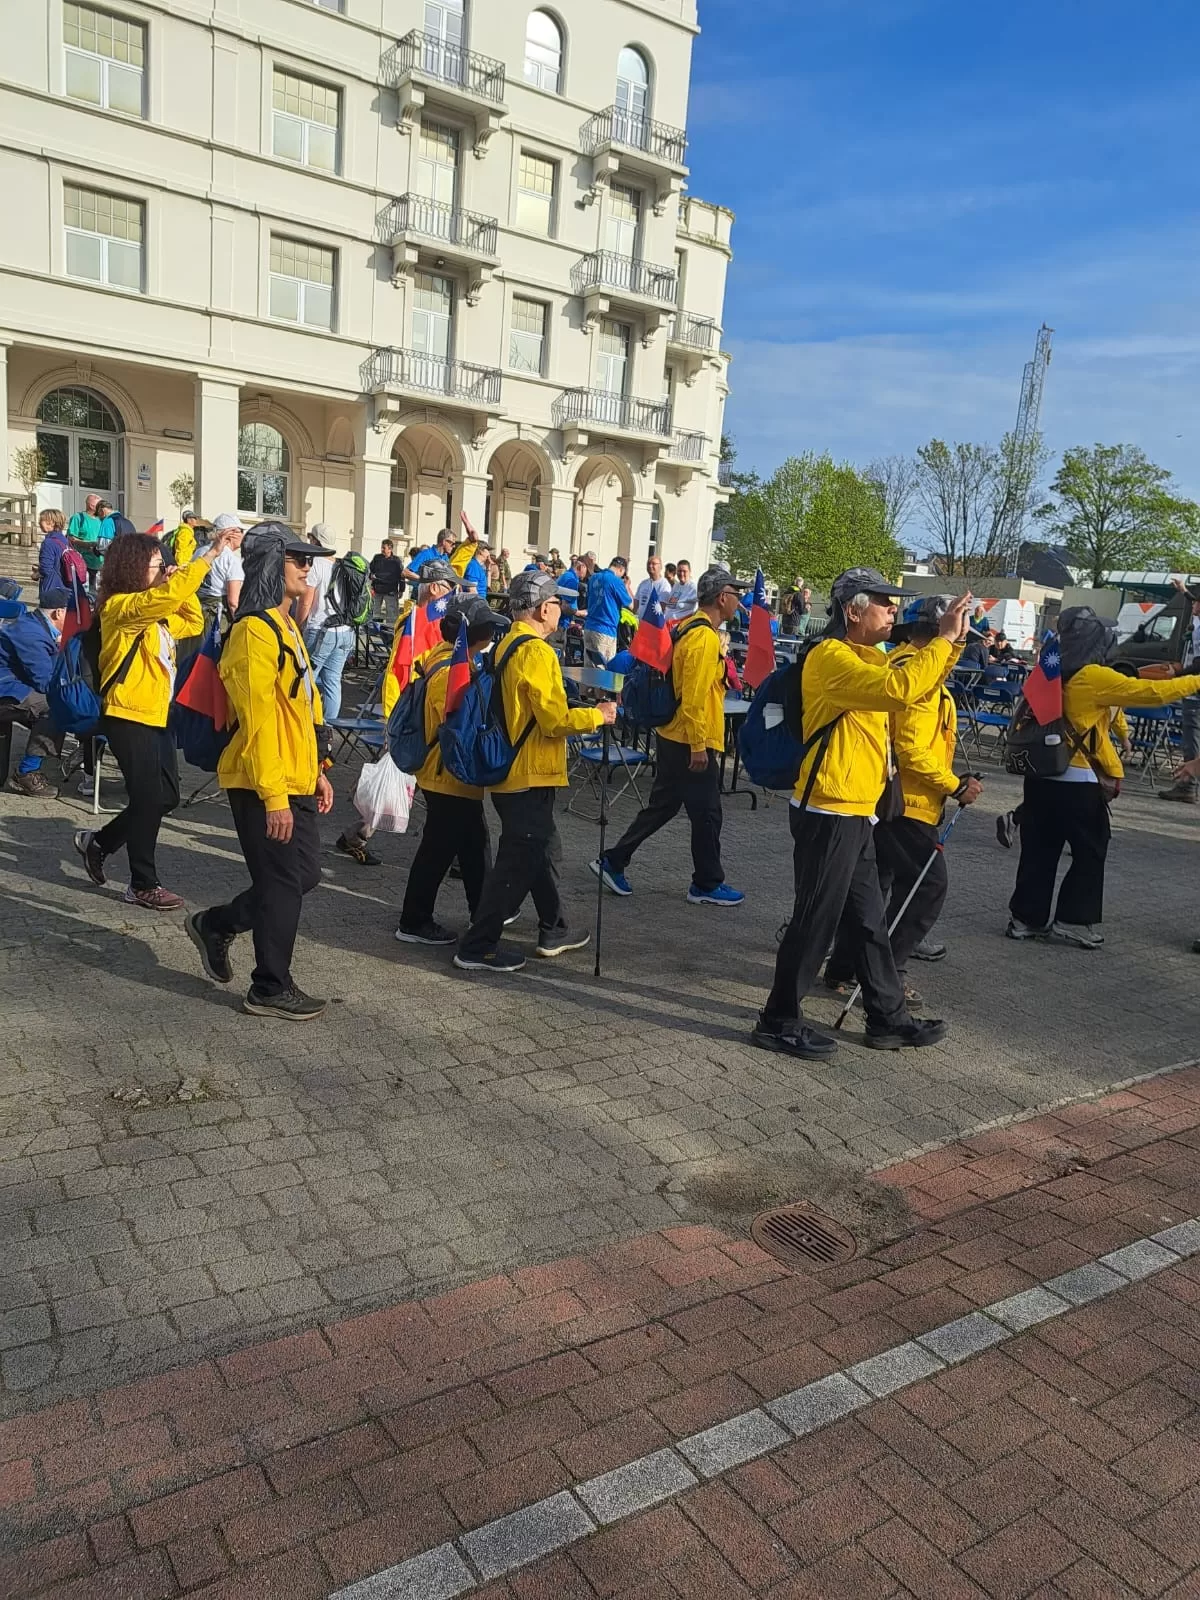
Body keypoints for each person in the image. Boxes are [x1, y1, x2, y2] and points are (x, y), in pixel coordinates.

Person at [755, 570, 974, 1060]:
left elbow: (916, 686)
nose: (893, 610)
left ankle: (887, 1018)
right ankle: (777, 1020)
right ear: (853, 611)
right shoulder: (831, 657)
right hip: (828, 809)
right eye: (883, 602)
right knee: (814, 921)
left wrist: (953, 644)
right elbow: (899, 689)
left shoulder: (867, 657)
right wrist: (942, 640)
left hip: (856, 810)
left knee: (870, 923)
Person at [187, 525, 335, 1019]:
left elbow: (301, 706)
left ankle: (216, 924)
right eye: (298, 558)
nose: (308, 567)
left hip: (294, 775)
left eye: (309, 559)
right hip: (259, 779)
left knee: (304, 875)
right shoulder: (253, 630)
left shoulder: (284, 624)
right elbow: (258, 722)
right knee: (282, 884)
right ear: (272, 563)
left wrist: (318, 768)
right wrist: (274, 798)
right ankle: (270, 986)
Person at [1008, 606, 1200, 949]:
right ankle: (1072, 920)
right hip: (1077, 780)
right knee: (1091, 850)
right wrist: (1197, 680)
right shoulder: (1092, 676)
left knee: (1038, 851)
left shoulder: (1048, 669)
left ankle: (1026, 919)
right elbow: (1152, 693)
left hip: (1039, 775)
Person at [455, 570, 616, 973]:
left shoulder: (505, 644)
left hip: (509, 769)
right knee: (519, 861)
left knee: (542, 849)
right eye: (559, 603)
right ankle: (478, 944)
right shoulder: (538, 652)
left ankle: (554, 927)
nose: (563, 609)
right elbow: (553, 720)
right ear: (544, 608)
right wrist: (596, 716)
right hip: (529, 773)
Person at [824, 596, 982, 1004]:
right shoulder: (912, 672)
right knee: (928, 887)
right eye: (955, 632)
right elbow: (911, 749)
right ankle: (887, 974)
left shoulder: (915, 665)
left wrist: (954, 642)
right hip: (906, 802)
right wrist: (954, 785)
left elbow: (938, 669)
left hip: (897, 799)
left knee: (874, 890)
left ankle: (843, 967)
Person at [73, 526, 237, 908]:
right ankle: (142, 883)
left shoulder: (156, 616)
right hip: (128, 715)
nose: (164, 571)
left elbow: (192, 622)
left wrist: (180, 583)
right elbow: (165, 598)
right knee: (147, 798)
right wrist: (209, 556)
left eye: (164, 565)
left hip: (158, 715)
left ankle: (99, 842)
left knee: (166, 797)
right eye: (157, 566)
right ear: (132, 568)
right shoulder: (119, 608)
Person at [594, 568, 746, 907]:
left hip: (672, 732)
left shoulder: (688, 627)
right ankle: (706, 883)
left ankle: (614, 860)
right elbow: (693, 696)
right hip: (690, 738)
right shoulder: (703, 637)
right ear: (722, 597)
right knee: (707, 813)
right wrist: (698, 745)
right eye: (736, 594)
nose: (740, 601)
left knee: (663, 806)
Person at [395, 594, 507, 945]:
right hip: (446, 776)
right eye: (487, 627)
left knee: (472, 846)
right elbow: (458, 722)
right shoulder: (450, 670)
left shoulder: (448, 659)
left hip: (449, 776)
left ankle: (482, 913)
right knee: (439, 850)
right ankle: (414, 920)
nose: (492, 633)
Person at [0, 586, 70, 798]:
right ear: (59, 613)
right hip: (6, 689)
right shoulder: (31, 634)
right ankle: (26, 773)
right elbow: (45, 683)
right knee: (57, 707)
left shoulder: (35, 625)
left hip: (13, 684)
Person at [296, 523, 354, 721]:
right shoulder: (342, 565)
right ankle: (328, 728)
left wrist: (298, 625)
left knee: (306, 678)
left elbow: (305, 601)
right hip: (345, 630)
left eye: (310, 537)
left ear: (316, 540)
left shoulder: (315, 565)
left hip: (320, 629)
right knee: (333, 681)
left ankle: (306, 724)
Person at [1159, 581, 1200, 803]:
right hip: (1193, 687)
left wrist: (1178, 673)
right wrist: (1184, 591)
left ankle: (1187, 785)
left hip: (1195, 689)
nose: (1193, 604)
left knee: (1192, 736)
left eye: (1196, 602)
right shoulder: (1198, 620)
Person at [197, 513, 245, 634]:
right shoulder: (231, 559)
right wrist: (239, 626)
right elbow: (233, 602)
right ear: (231, 533)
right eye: (241, 531)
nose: (243, 535)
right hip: (217, 618)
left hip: (196, 614)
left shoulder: (199, 552)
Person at [581, 555, 630, 663]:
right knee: (605, 668)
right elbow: (630, 605)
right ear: (621, 570)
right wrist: (626, 587)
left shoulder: (593, 577)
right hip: (606, 630)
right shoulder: (616, 581)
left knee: (588, 667)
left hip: (589, 627)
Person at [67, 494, 104, 595]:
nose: (102, 508)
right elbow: (71, 538)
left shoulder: (102, 520)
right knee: (82, 595)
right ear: (92, 506)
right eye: (100, 505)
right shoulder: (78, 518)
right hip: (82, 563)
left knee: (96, 595)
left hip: (99, 563)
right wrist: (87, 544)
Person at [403, 529, 456, 596]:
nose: (454, 546)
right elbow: (405, 572)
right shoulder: (426, 554)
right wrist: (426, 580)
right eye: (452, 543)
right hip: (423, 596)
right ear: (444, 541)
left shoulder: (445, 557)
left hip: (439, 597)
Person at [369, 539, 405, 627]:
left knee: (392, 614)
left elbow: (402, 575)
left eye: (384, 548)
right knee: (375, 612)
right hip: (377, 589)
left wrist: (401, 590)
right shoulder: (377, 558)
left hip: (390, 590)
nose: (382, 549)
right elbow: (370, 570)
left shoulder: (396, 561)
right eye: (381, 547)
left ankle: (391, 629)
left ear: (390, 549)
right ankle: (375, 628)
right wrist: (371, 577)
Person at [633, 556, 672, 620]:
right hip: (640, 622)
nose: (650, 566)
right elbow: (636, 604)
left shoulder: (664, 585)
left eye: (653, 564)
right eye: (648, 564)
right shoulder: (643, 583)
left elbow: (661, 608)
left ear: (660, 566)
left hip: (654, 623)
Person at [665, 559, 698, 625]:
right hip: (668, 626)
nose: (681, 574)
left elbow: (702, 607)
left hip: (681, 627)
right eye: (679, 571)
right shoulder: (676, 585)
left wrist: (682, 620)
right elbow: (671, 605)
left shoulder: (693, 587)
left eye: (684, 571)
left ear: (690, 572)